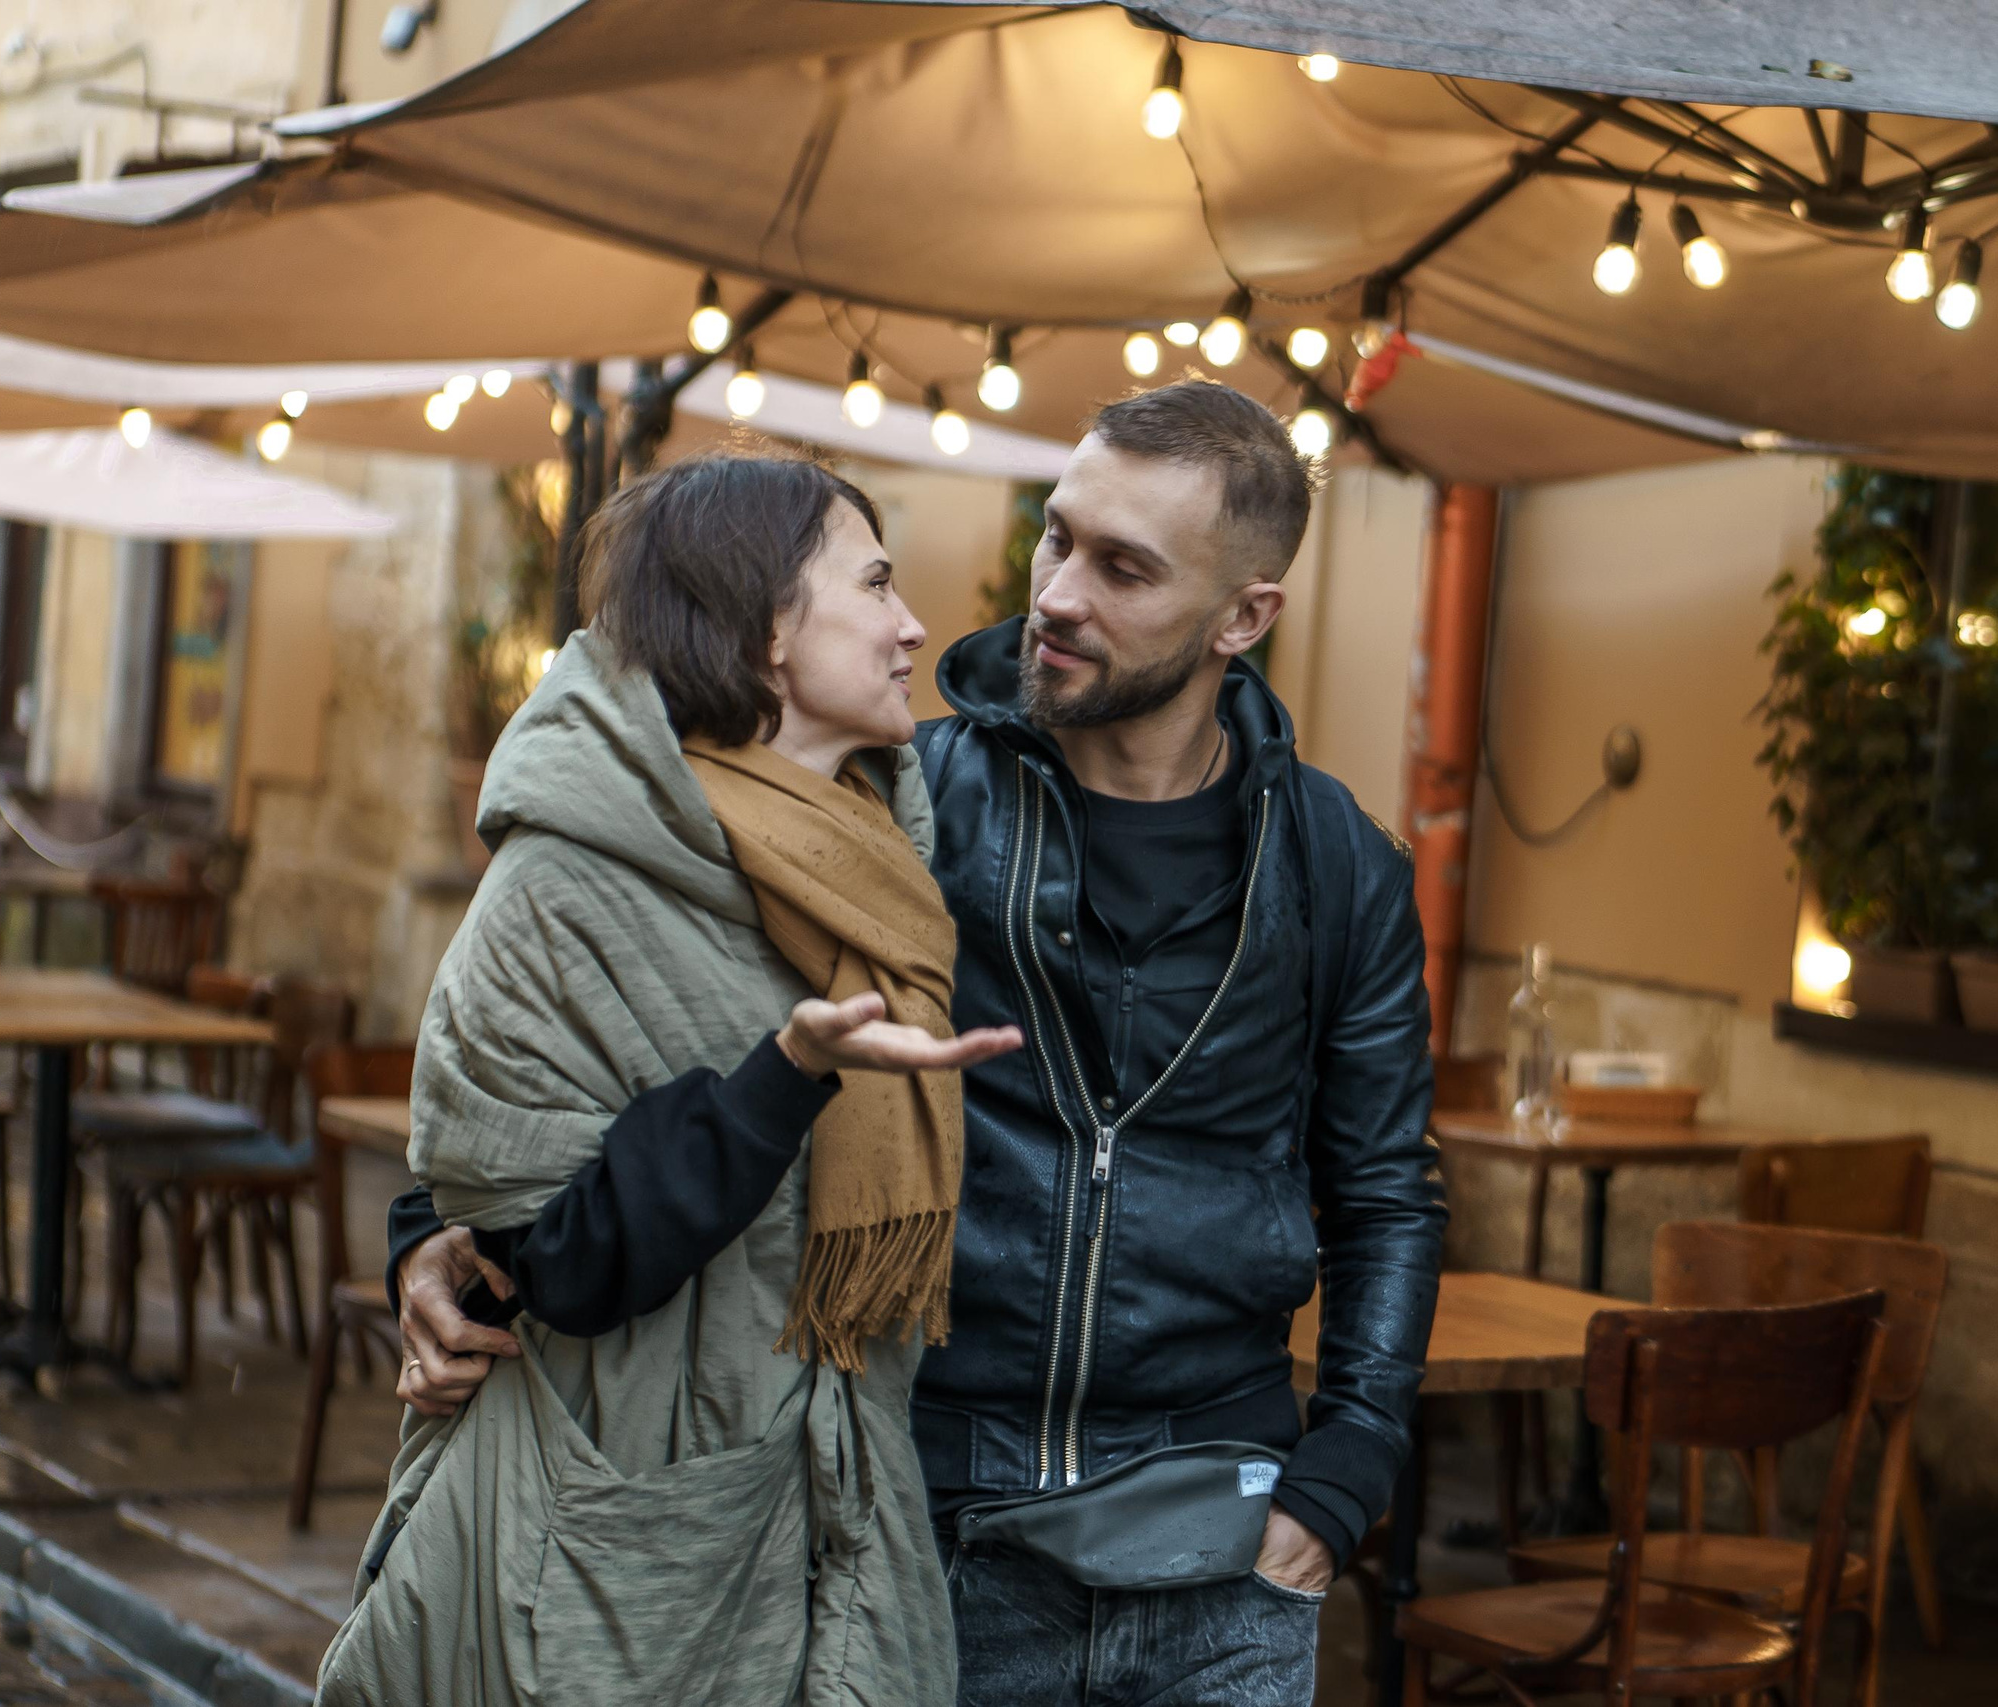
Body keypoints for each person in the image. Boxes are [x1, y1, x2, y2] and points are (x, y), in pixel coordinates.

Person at [393, 380, 1445, 1704]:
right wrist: (436, 1226)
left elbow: (1387, 1185)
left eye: (1124, 567)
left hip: (1219, 1531)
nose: (1056, 592)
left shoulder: (1336, 864)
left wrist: (1349, 1458)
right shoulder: (901, 801)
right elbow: (627, 1000)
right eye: (1059, 536)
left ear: (1245, 615)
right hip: (937, 1505)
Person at [318, 453, 1019, 1707]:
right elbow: (552, 1253)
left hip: (838, 1515)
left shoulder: (886, 861)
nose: (916, 623)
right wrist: (785, 1074)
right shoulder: (565, 880)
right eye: (875, 583)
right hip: (617, 1555)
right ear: (765, 636)